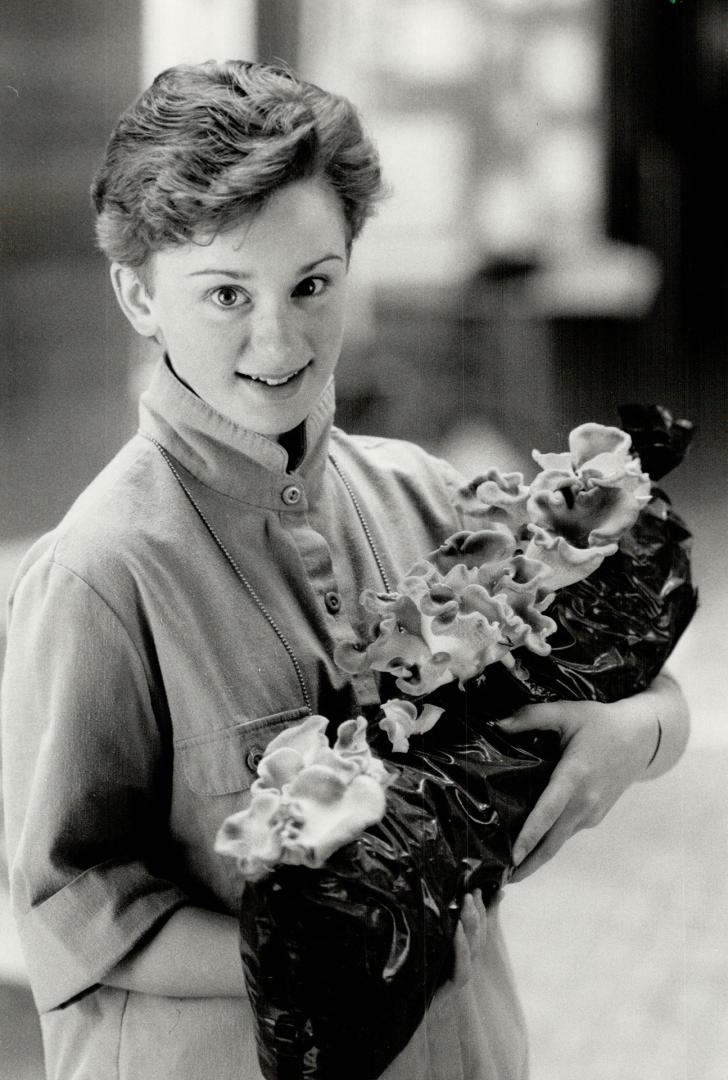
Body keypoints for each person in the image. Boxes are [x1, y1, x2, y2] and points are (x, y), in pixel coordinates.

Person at [0, 60, 690, 1080]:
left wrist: (633, 735)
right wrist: (312, 957)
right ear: (139, 297)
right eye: (225, 292)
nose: (278, 340)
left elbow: (638, 691)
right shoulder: (103, 572)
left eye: (312, 284)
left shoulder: (431, 500)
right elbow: (68, 909)